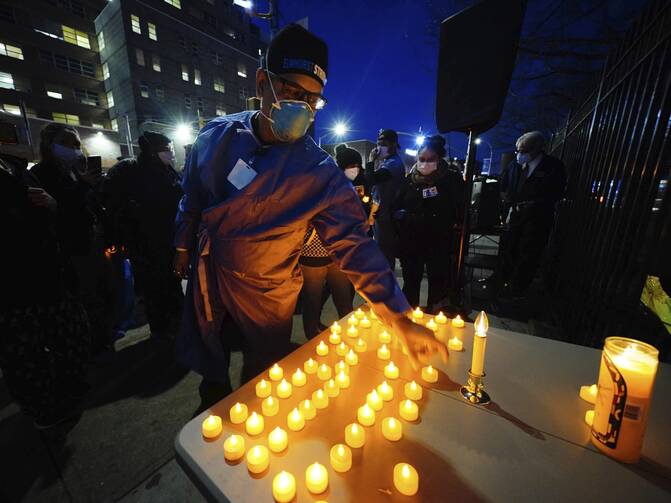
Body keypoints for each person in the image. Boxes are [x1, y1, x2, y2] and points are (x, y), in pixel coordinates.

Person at [172, 24, 447, 411]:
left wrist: (397, 316)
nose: (302, 107)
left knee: (262, 382)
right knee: (211, 365)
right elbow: (192, 197)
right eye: (291, 92)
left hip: (265, 292)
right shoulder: (218, 136)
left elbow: (354, 244)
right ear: (262, 82)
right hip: (209, 275)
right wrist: (183, 244)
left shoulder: (316, 172)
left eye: (313, 100)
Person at [0, 149, 90, 428]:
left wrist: (52, 206)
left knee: (71, 333)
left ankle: (66, 388)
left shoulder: (14, 165)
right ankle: (44, 409)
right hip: (9, 285)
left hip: (46, 271)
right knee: (25, 355)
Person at [31, 123, 111, 352]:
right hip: (68, 250)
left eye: (76, 144)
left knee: (103, 292)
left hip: (92, 242)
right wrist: (81, 187)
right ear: (49, 145)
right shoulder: (39, 175)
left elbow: (92, 206)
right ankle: (90, 347)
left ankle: (102, 340)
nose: (74, 149)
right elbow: (56, 212)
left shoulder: (76, 171)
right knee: (83, 298)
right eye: (66, 143)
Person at [103, 132, 184, 339]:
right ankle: (161, 330)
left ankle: (179, 324)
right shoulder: (129, 171)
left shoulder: (167, 171)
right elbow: (112, 204)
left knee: (172, 283)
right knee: (153, 288)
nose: (170, 153)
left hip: (169, 240)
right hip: (143, 243)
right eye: (166, 149)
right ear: (152, 151)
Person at [298, 144, 369, 340]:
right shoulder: (321, 185)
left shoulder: (350, 188)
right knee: (312, 300)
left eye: (358, 166)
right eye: (352, 166)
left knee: (344, 297)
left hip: (338, 254)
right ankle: (312, 338)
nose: (355, 170)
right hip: (313, 254)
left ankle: (349, 333)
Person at [394, 136, 465, 311]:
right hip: (411, 242)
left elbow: (458, 208)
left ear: (439, 159)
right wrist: (403, 217)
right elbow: (397, 207)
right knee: (411, 283)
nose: (425, 163)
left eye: (430, 159)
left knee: (438, 283)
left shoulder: (451, 180)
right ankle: (410, 315)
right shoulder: (409, 180)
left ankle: (435, 315)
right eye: (422, 159)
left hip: (439, 242)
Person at [498, 131, 567, 297]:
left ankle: (518, 289)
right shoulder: (514, 165)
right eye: (518, 150)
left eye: (524, 150)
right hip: (515, 215)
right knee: (509, 249)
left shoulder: (553, 166)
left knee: (529, 253)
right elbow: (504, 184)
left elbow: (556, 191)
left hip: (538, 218)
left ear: (537, 148)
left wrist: (535, 203)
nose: (520, 154)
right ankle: (503, 283)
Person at [366, 129, 406, 268]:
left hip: (386, 216)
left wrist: (371, 161)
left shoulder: (393, 164)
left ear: (394, 144)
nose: (379, 148)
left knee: (385, 254)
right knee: (381, 251)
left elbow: (371, 179)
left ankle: (386, 284)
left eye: (383, 144)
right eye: (378, 144)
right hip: (381, 213)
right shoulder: (388, 162)